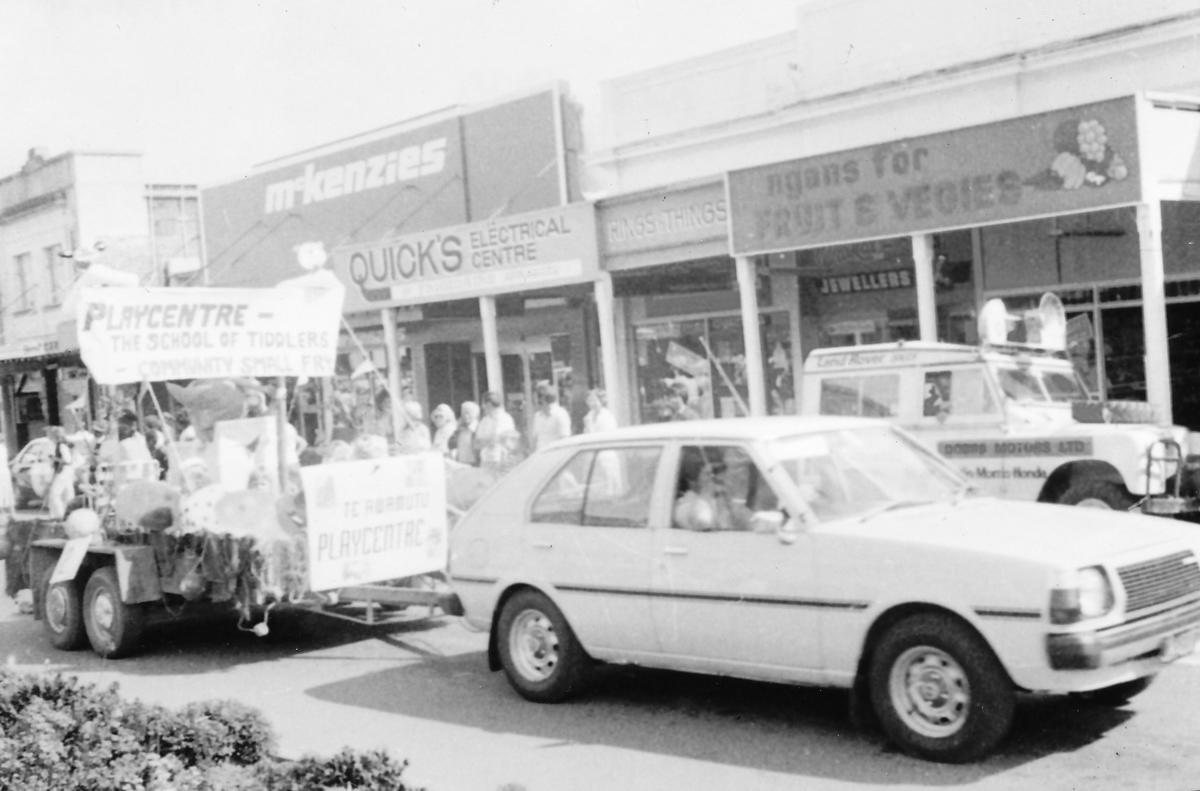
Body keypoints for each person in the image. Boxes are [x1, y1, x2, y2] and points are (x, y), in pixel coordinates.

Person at [672, 447, 752, 532]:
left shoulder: (728, 503)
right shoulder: (685, 504)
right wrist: (707, 491)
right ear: (694, 480)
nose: (715, 479)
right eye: (708, 474)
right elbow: (701, 522)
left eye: (721, 477)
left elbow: (751, 521)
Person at [475, 391, 518, 471]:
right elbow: (477, 443)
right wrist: (490, 440)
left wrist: (490, 440)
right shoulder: (485, 421)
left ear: (488, 404)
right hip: (486, 460)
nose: (482, 406)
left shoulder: (506, 419)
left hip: (502, 461)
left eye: (483, 403)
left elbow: (510, 441)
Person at [45, 426, 76, 519]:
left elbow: (68, 460)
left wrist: (54, 458)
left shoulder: (62, 445)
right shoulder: (64, 444)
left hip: (63, 471)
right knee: (68, 493)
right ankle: (68, 514)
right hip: (67, 471)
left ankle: (59, 514)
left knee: (54, 493)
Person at [530, 383, 572, 451]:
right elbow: (535, 439)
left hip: (555, 455)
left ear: (542, 399)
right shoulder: (537, 416)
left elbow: (565, 439)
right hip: (540, 455)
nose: (533, 401)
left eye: (535, 398)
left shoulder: (560, 414)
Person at [450, 401, 480, 465]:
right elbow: (450, 445)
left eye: (468, 413)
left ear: (475, 414)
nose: (465, 416)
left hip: (475, 464)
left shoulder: (479, 428)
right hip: (460, 463)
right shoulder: (460, 429)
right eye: (463, 413)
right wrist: (457, 429)